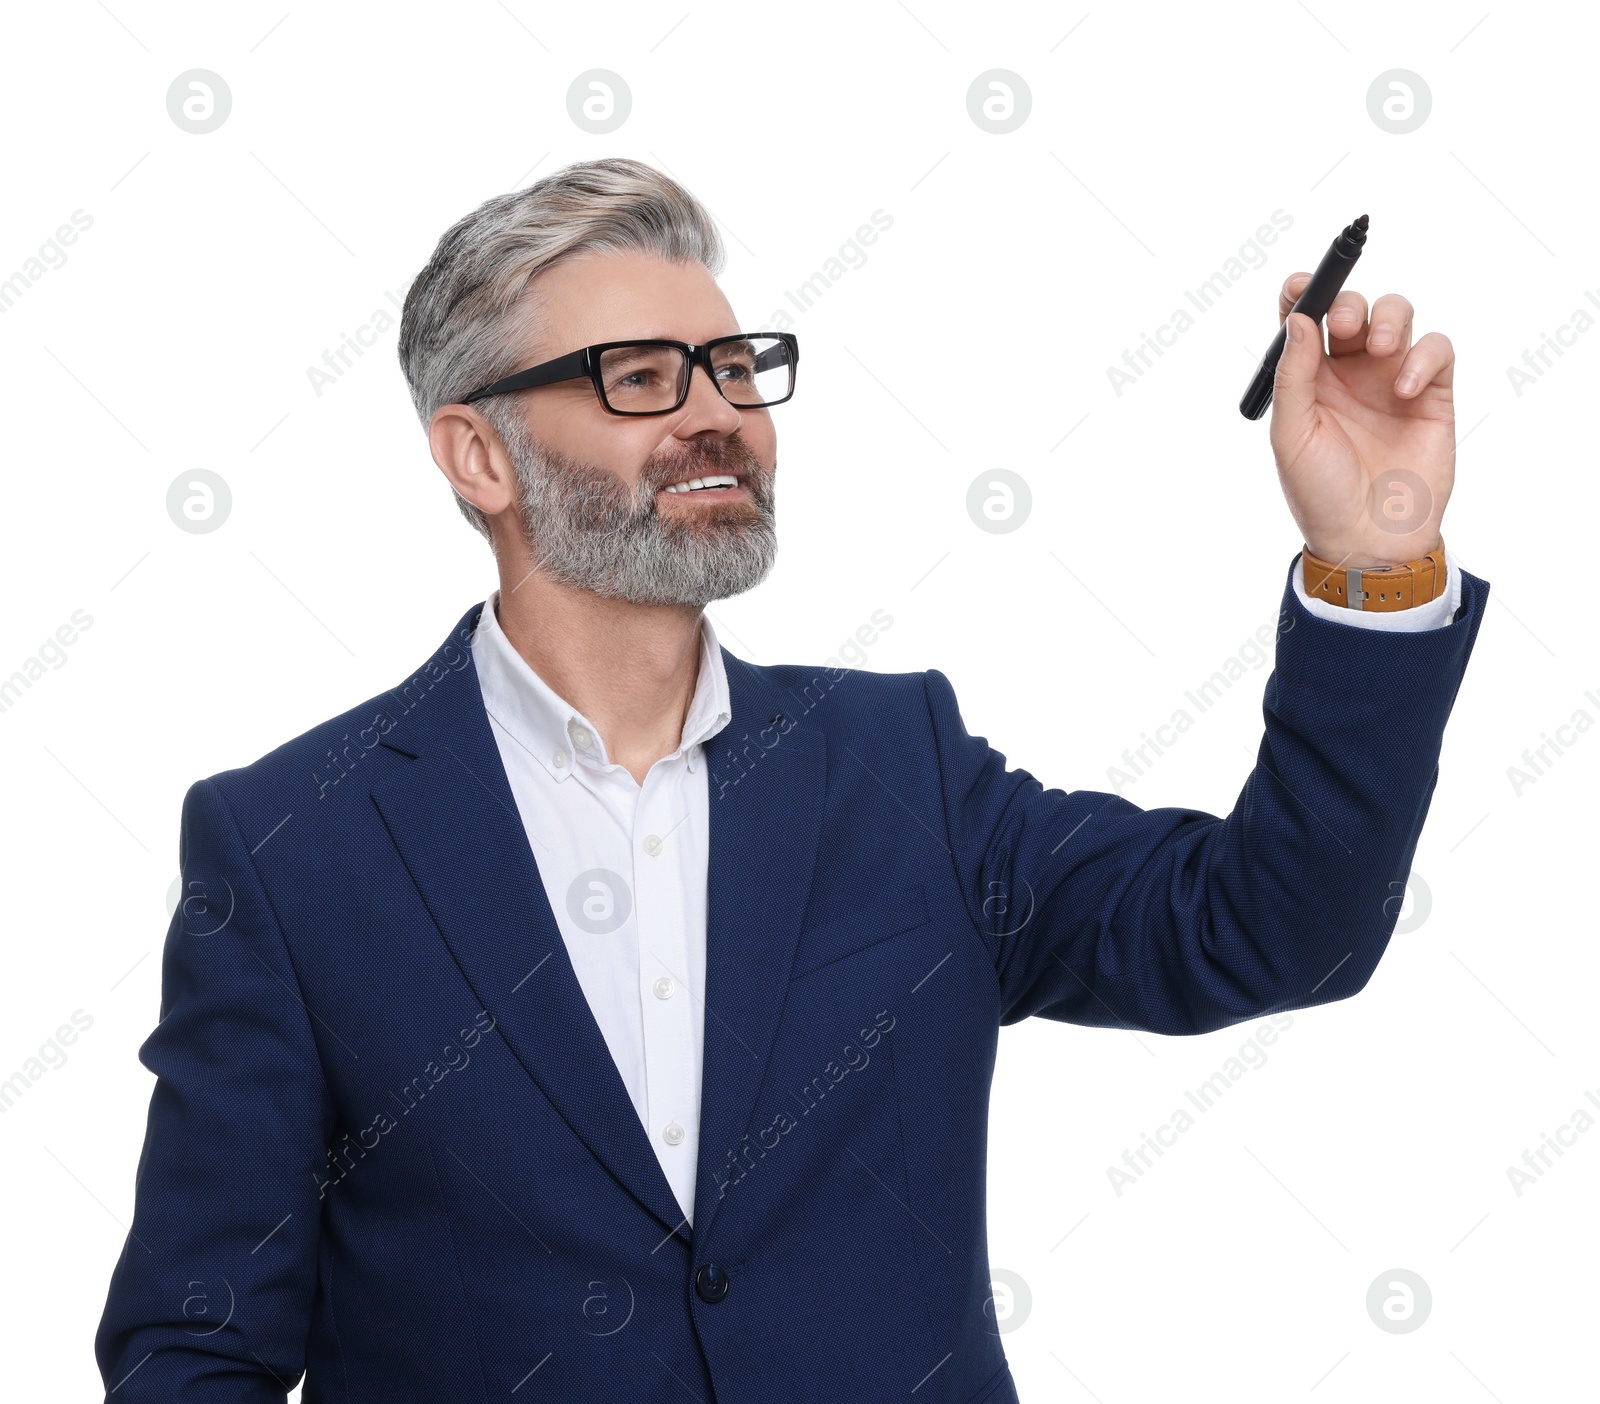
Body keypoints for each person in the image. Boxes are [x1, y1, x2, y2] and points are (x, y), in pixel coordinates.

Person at [95, 157, 1487, 1402]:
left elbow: (1275, 928)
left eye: (734, 367)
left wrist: (1377, 552)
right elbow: (195, 1347)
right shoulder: (291, 849)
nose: (717, 416)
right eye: (641, 376)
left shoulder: (899, 768)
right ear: (478, 455)